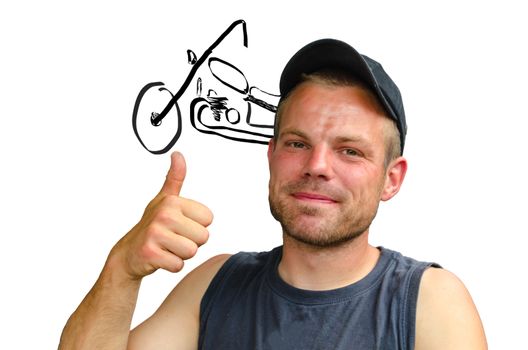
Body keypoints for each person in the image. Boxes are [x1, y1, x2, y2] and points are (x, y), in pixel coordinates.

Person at [59, 39, 487, 349]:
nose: (316, 166)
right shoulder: (214, 286)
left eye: (350, 151)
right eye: (298, 143)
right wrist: (123, 268)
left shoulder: (430, 303)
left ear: (391, 179)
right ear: (272, 155)